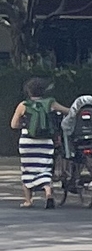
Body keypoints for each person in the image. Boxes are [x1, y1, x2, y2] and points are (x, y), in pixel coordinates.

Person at [11, 75, 60, 206]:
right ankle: (48, 192)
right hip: (45, 142)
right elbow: (68, 111)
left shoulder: (23, 105)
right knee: (45, 169)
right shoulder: (50, 103)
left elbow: (13, 124)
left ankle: (28, 200)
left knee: (28, 170)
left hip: (28, 141)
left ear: (28, 91)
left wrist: (25, 125)